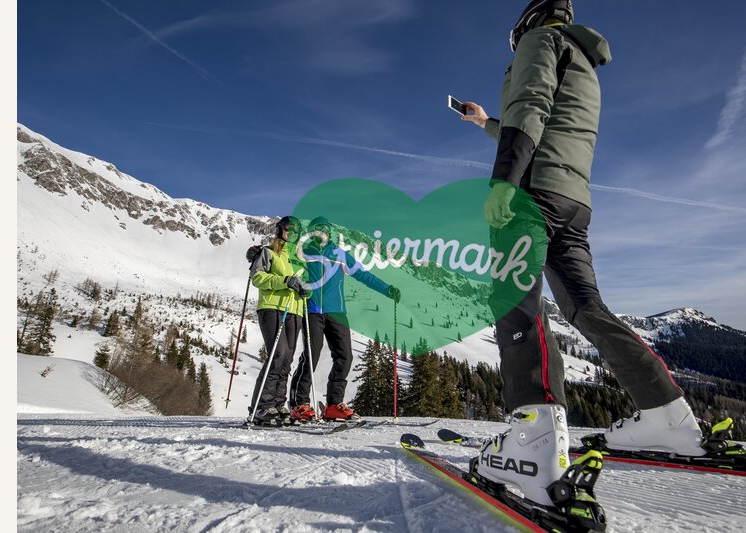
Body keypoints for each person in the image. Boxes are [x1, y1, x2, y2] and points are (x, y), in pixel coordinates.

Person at [461, 0, 705, 509]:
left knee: (515, 298)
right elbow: (546, 115)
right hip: (573, 203)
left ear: (528, 21)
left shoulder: (539, 42)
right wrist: (486, 121)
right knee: (585, 308)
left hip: (532, 195)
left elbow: (530, 105)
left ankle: (533, 441)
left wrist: (504, 181)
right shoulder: (584, 63)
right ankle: (668, 414)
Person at [289, 216, 401, 421]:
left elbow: (364, 275)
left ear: (330, 233)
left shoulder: (341, 255)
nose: (321, 233)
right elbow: (283, 257)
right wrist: (259, 253)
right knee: (311, 355)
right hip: (313, 309)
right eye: (317, 230)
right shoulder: (304, 252)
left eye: (325, 230)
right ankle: (299, 404)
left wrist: (388, 290)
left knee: (345, 356)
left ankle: (333, 405)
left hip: (337, 311)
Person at [245, 216, 308, 426]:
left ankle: (279, 404)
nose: (292, 234)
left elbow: (304, 282)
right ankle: (262, 406)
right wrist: (285, 282)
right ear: (280, 230)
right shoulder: (269, 252)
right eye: (289, 229)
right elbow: (257, 277)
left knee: (287, 358)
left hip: (295, 310)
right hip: (272, 308)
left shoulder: (300, 258)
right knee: (277, 355)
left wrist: (306, 290)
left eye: (296, 231)